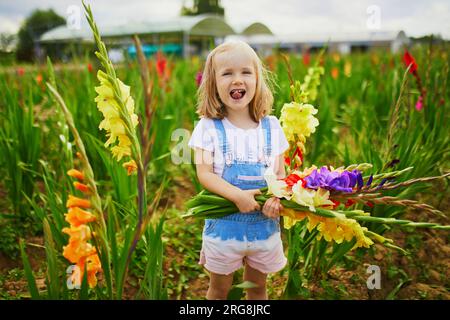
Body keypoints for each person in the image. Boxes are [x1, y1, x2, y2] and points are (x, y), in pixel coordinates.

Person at [188, 40, 289, 300]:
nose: (237, 80)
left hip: (263, 227)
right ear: (213, 84)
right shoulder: (208, 127)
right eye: (227, 73)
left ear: (257, 79)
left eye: (246, 72)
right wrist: (238, 196)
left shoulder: (272, 127)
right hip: (225, 231)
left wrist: (276, 197)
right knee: (219, 289)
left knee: (257, 288)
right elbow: (205, 174)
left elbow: (281, 174)